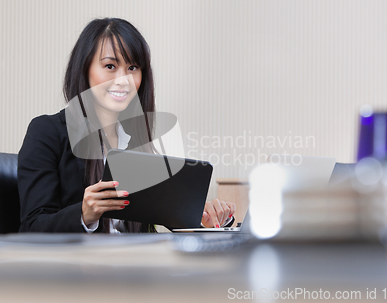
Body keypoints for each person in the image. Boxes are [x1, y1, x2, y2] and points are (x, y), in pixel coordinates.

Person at [18, 18, 235, 233]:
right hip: (77, 265)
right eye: (110, 66)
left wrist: (201, 220)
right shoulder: (47, 132)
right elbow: (32, 226)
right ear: (84, 69)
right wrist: (84, 215)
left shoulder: (137, 142)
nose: (124, 80)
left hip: (133, 263)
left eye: (132, 67)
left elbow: (150, 227)